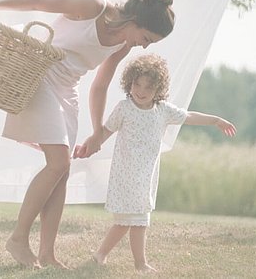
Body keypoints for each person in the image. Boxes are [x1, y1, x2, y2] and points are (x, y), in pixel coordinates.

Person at [0, 0, 175, 269]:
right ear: (136, 19)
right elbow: (38, 1)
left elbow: (100, 85)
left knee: (63, 170)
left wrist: (97, 130)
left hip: (67, 91)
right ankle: (18, 238)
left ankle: (47, 253)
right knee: (57, 162)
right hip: (40, 75)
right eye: (146, 38)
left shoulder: (122, 44)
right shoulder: (92, 5)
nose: (144, 46)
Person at [73, 53, 237, 272]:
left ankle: (104, 255)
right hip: (126, 175)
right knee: (131, 220)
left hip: (145, 176)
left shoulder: (163, 111)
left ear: (158, 90)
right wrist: (87, 147)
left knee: (135, 220)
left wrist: (216, 120)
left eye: (148, 87)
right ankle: (135, 263)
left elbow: (188, 116)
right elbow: (104, 132)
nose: (141, 91)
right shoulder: (124, 108)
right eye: (137, 84)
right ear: (129, 82)